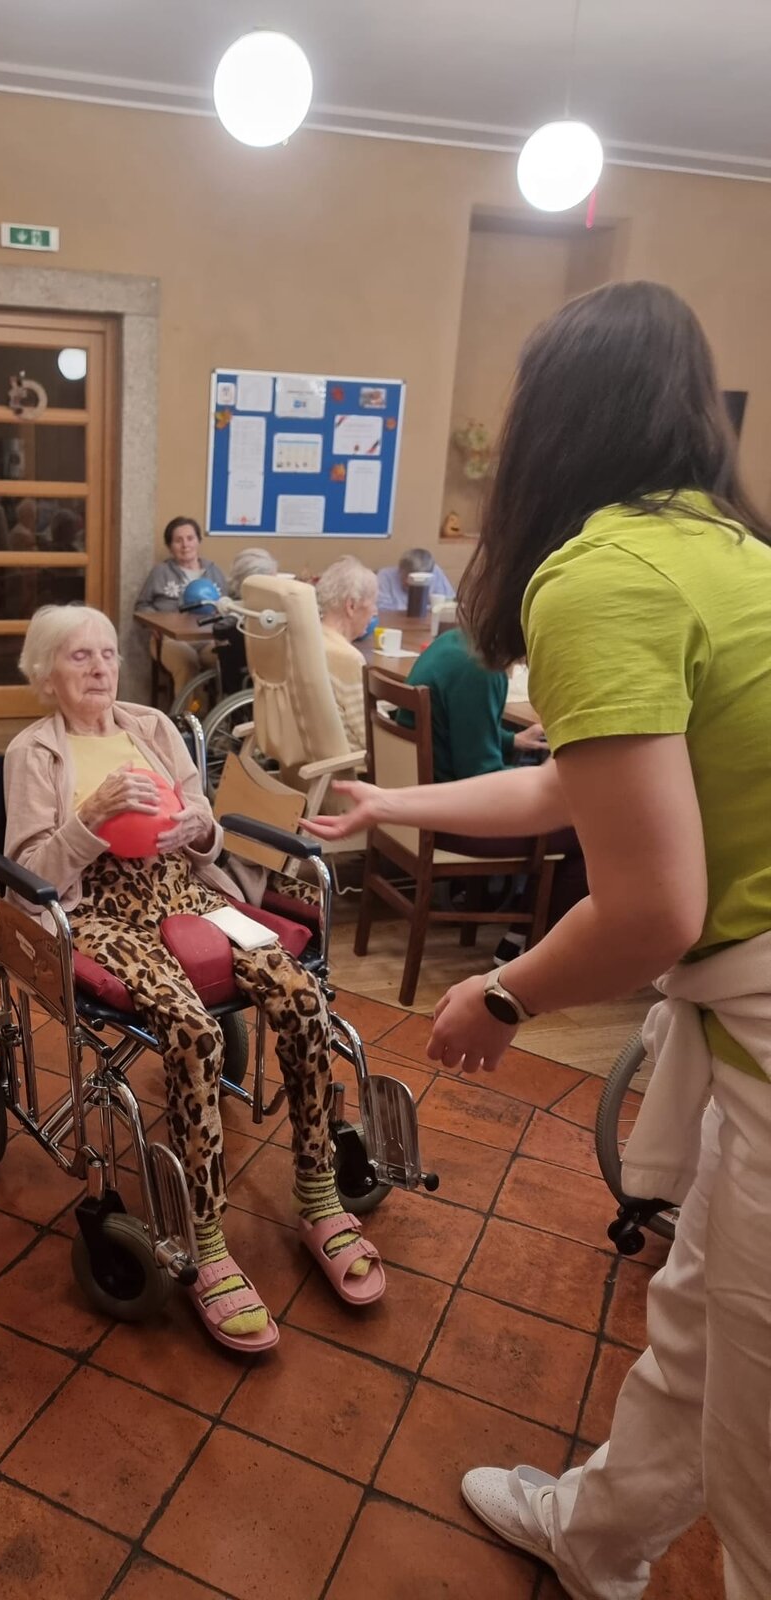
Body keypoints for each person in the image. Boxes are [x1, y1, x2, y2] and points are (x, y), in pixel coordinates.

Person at [306, 281, 771, 1600]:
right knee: (694, 1323)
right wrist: (390, 801)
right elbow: (576, 785)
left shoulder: (600, 579)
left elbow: (652, 909)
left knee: (758, 1464)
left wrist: (501, 997)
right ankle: (596, 1537)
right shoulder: (735, 556)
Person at [4, 604, 384, 1354]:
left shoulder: (152, 726)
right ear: (45, 673)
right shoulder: (33, 752)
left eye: (107, 654)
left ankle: (317, 1194)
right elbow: (28, 876)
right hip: (101, 913)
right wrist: (91, 815)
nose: (100, 668)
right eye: (79, 657)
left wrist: (198, 829)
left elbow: (207, 825)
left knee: (302, 996)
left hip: (188, 892)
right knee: (191, 1028)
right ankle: (205, 1240)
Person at [400, 623, 582, 961]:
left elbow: (449, 727)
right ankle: (532, 947)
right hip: (454, 820)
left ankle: (521, 931)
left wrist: (511, 740)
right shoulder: (482, 669)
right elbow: (483, 778)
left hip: (423, 806)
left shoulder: (453, 643)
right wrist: (544, 780)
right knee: (590, 830)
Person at [135, 516, 227, 700]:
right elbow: (142, 606)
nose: (185, 545)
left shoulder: (214, 571)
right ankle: (189, 716)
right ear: (170, 546)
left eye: (190, 538)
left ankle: (221, 713)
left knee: (226, 660)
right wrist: (154, 624)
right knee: (187, 662)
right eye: (178, 540)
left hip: (207, 638)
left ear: (198, 541)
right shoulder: (161, 572)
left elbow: (227, 604)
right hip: (170, 639)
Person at [314, 557, 379, 752]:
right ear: (351, 606)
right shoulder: (347, 658)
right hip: (352, 765)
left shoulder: (310, 639)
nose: (375, 612)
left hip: (313, 758)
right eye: (373, 603)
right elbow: (370, 736)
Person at [376, 547, 456, 611]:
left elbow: (449, 603)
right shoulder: (385, 576)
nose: (410, 582)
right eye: (407, 577)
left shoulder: (435, 573)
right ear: (400, 569)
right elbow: (382, 609)